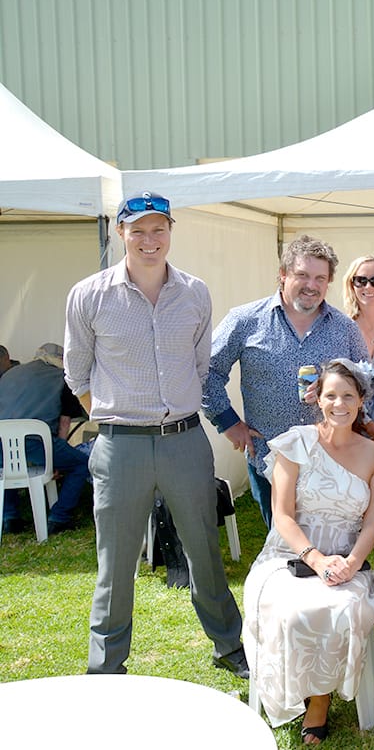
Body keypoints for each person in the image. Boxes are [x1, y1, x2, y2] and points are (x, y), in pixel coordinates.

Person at [64, 191, 246, 677]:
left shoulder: (195, 293)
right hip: (120, 445)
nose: (150, 240)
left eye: (158, 229)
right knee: (115, 562)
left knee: (204, 551)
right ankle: (106, 667)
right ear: (120, 232)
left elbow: (201, 367)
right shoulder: (89, 295)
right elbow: (77, 375)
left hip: (184, 442)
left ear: (170, 231)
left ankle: (230, 648)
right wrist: (116, 421)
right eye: (138, 230)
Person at [243, 359, 374, 743]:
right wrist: (316, 559)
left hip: (347, 559)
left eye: (348, 396)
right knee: (290, 611)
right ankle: (297, 691)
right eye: (331, 396)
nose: (340, 404)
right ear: (317, 399)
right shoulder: (296, 443)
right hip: (290, 556)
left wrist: (352, 563)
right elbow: (282, 515)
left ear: (361, 401)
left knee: (340, 608)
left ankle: (319, 700)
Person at [204, 234, 368, 528]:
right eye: (302, 275)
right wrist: (228, 423)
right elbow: (206, 371)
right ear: (283, 274)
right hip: (269, 458)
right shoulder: (245, 320)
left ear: (329, 281)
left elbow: (367, 383)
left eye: (320, 278)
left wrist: (338, 388)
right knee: (282, 541)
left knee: (331, 544)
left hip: (332, 461)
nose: (311, 285)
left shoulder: (345, 329)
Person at [0, 343, 91, 535]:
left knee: (6, 467)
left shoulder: (10, 374)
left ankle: (10, 518)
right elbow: (64, 423)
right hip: (35, 442)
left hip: (1, 444)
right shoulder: (64, 378)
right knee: (82, 464)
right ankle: (59, 517)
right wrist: (55, 461)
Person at [342, 254, 374, 443]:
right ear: (352, 285)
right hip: (352, 434)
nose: (368, 287)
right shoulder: (342, 330)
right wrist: (370, 426)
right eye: (361, 281)